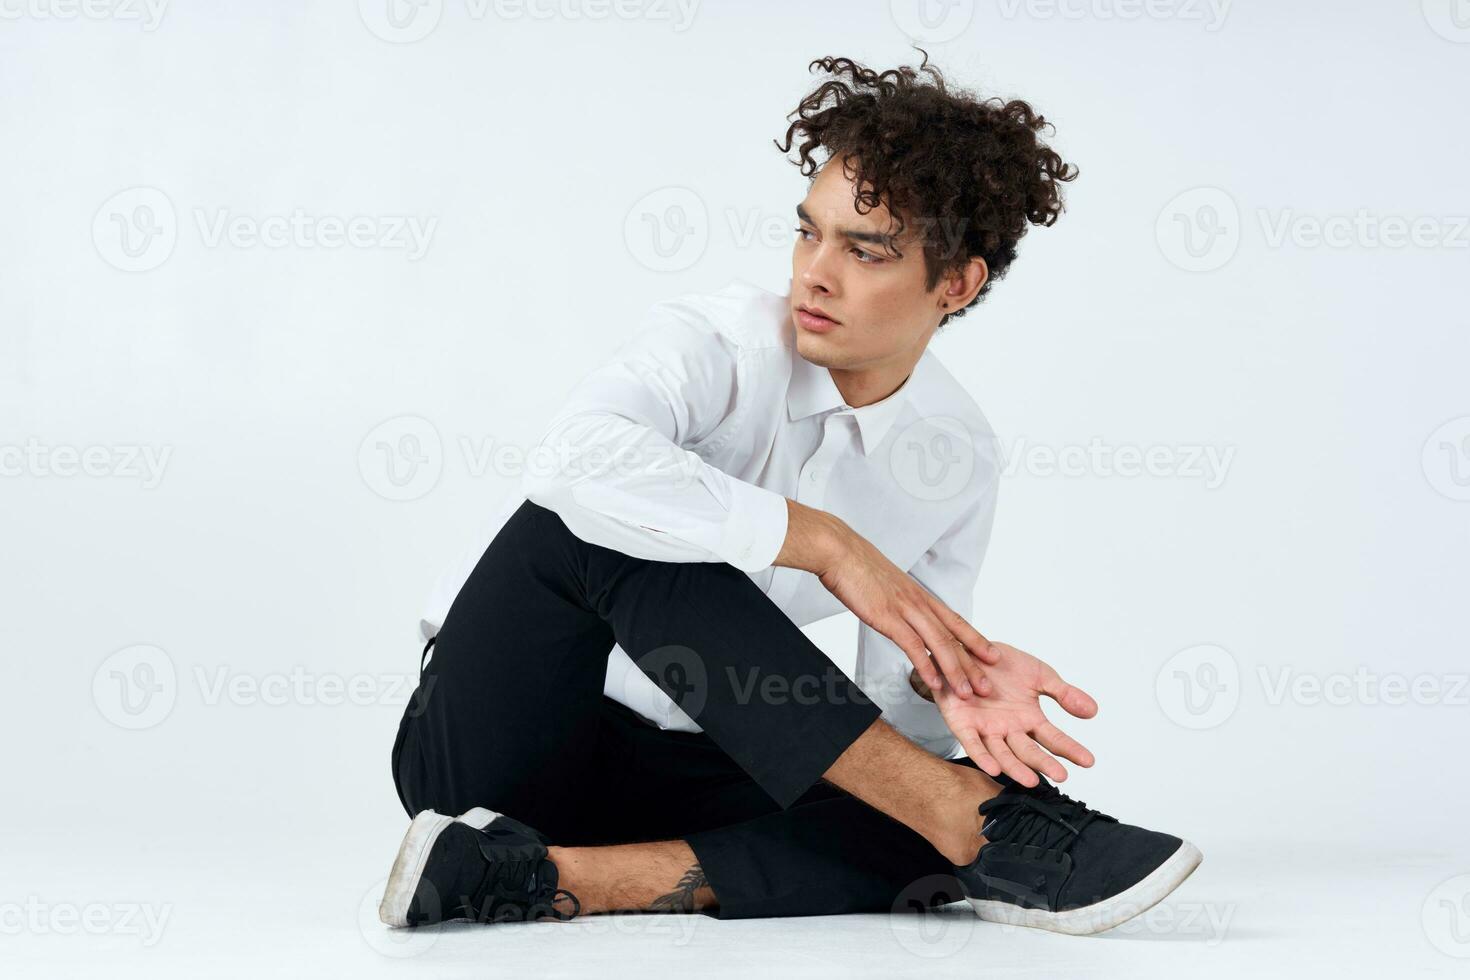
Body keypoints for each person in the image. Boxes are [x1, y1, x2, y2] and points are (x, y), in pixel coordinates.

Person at [379, 50, 1200, 935]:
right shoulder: (721, 345)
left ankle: (537, 877)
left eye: (865, 250)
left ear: (955, 283)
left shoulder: (955, 455)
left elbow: (892, 737)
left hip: (682, 770)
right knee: (606, 524)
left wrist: (947, 683)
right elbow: (571, 461)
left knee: (918, 810)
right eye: (809, 231)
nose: (815, 272)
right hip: (497, 743)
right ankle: (975, 826)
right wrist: (821, 540)